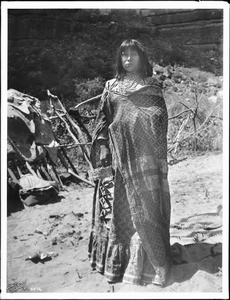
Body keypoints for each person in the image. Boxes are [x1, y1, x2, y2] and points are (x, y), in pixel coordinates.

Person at [88, 39, 171, 287]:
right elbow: (102, 123)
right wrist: (103, 153)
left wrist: (158, 154)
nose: (128, 59)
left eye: (133, 54)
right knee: (118, 213)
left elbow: (161, 122)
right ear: (119, 59)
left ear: (141, 58)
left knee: (147, 211)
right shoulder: (110, 87)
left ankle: (153, 266)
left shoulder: (152, 89)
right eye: (123, 55)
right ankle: (117, 264)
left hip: (145, 163)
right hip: (117, 161)